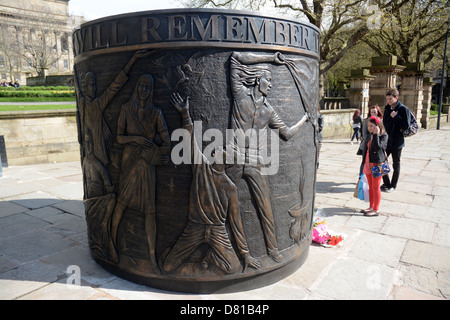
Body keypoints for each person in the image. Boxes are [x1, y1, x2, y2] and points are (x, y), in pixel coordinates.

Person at [162, 93, 260, 274]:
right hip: (195, 226)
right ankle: (179, 254)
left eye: (222, 150)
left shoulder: (230, 187)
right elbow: (191, 142)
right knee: (167, 266)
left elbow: (236, 222)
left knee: (234, 267)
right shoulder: (201, 168)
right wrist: (185, 114)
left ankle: (210, 256)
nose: (216, 150)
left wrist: (245, 254)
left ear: (225, 159)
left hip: (218, 231)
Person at [227, 51, 309, 263]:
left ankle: (272, 250)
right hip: (234, 158)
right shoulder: (240, 94)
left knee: (265, 207)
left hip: (256, 161)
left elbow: (287, 133)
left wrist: (304, 119)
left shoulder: (269, 110)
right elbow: (235, 57)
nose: (270, 85)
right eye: (268, 80)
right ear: (257, 80)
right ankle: (242, 253)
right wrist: (271, 59)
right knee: (229, 205)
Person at [110, 74, 171, 272]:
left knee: (149, 211)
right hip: (130, 163)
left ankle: (152, 256)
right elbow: (119, 137)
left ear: (151, 90)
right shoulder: (126, 109)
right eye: (141, 86)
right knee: (121, 204)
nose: (144, 90)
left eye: (148, 86)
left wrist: (160, 154)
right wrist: (135, 139)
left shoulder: (156, 113)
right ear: (137, 88)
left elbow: (167, 140)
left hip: (146, 166)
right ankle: (111, 243)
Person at [381, 89, 411, 193]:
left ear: (396, 98)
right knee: (381, 161)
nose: (388, 101)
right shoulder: (387, 108)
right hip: (387, 141)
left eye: (390, 99)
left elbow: (406, 125)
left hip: (397, 142)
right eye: (387, 99)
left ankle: (393, 185)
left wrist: (396, 117)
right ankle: (387, 183)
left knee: (396, 164)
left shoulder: (403, 109)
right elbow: (385, 122)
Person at [360, 116, 388, 217]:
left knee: (376, 187)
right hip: (368, 164)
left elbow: (377, 147)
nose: (369, 128)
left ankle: (376, 209)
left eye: (372, 126)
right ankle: (371, 206)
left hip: (377, 164)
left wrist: (376, 134)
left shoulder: (383, 136)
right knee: (370, 187)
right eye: (368, 126)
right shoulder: (370, 135)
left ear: (377, 126)